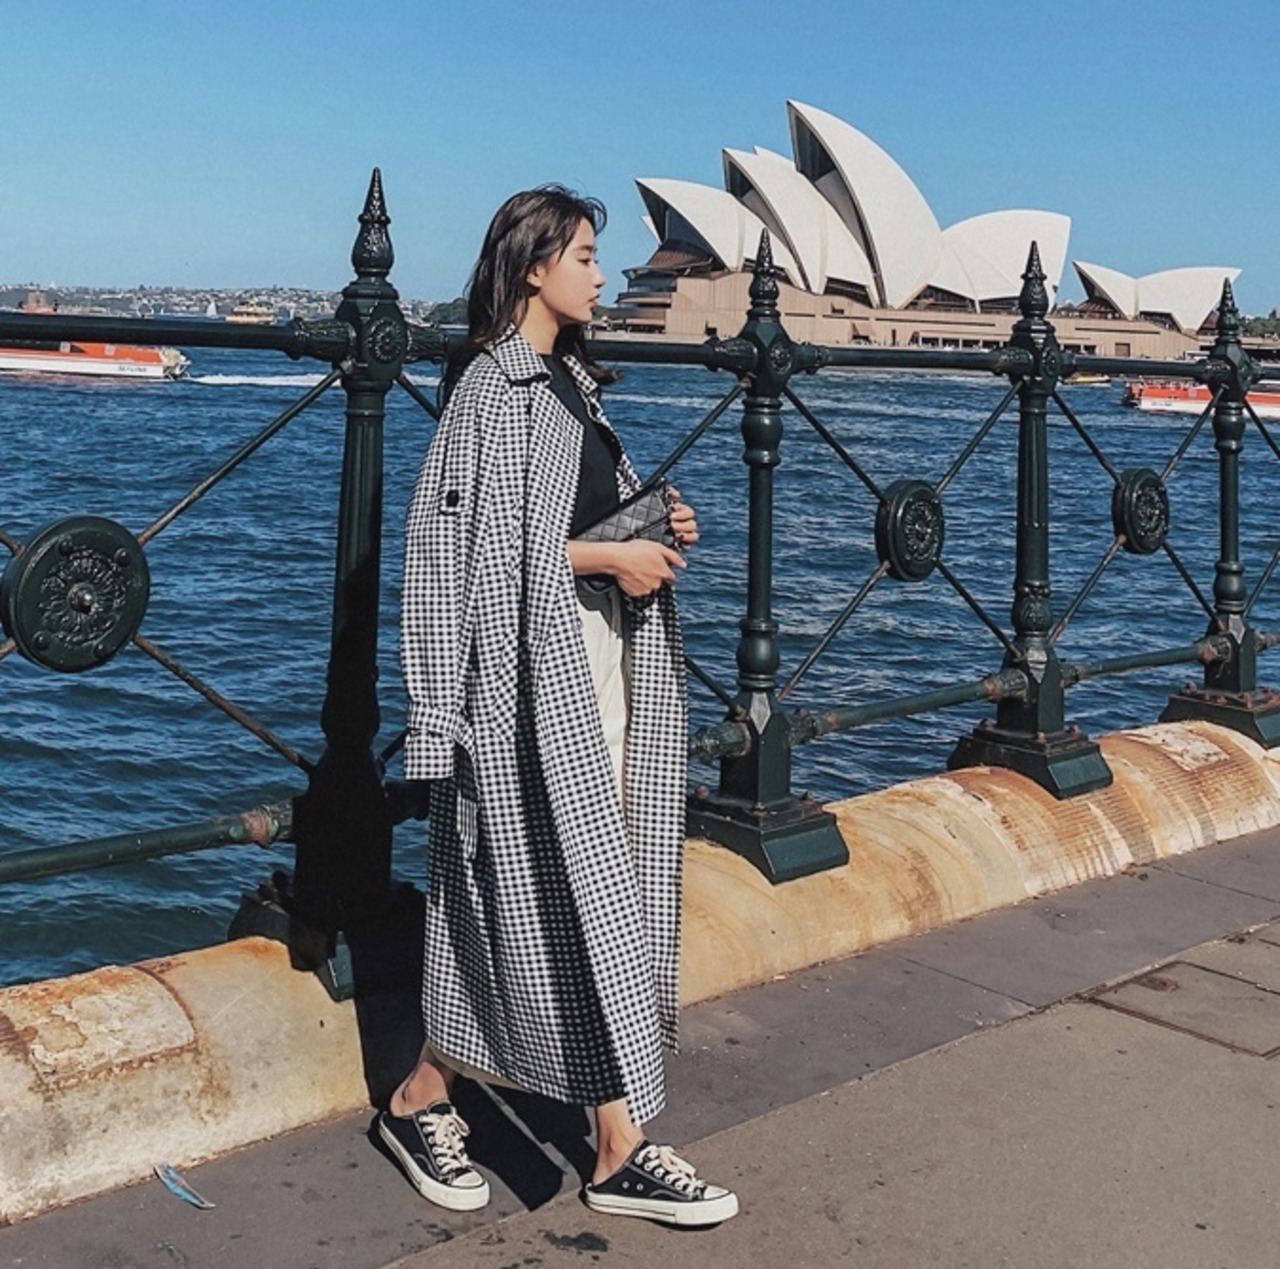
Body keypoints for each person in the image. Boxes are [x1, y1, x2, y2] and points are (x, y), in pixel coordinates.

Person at [379, 186, 739, 1228]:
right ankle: (460, 1106)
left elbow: (553, 523)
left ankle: (529, 1121)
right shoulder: (492, 391)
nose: (599, 273)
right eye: (583, 255)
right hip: (529, 677)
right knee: (539, 891)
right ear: (533, 266)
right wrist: (606, 558)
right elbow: (458, 557)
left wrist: (650, 522)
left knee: (581, 887)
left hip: (591, 662)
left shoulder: (568, 384)